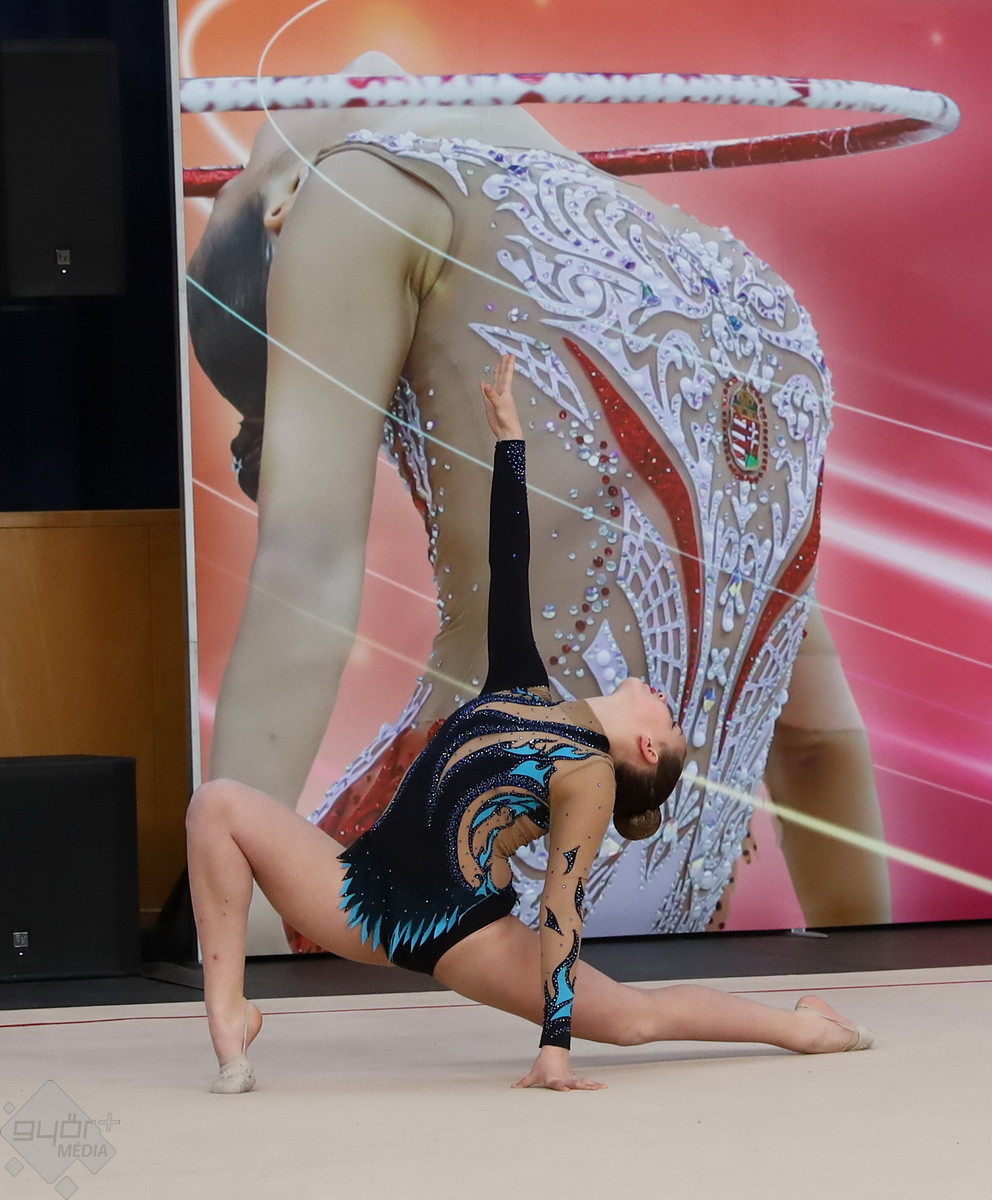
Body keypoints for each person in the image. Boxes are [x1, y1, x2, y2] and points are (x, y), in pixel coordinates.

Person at [186, 51, 891, 951]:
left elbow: (307, 568)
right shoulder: (742, 283)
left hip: (444, 903)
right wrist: (877, 969)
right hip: (642, 940)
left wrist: (229, 937)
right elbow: (816, 738)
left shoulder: (399, 196)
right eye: (232, 180)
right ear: (287, 204)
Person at [185, 356, 873, 1094]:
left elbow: (562, 905)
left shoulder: (589, 774)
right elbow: (508, 566)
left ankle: (798, 1025)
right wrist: (509, 443)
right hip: (359, 897)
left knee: (634, 1019)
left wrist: (556, 1047)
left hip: (464, 933)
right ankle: (230, 1018)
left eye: (668, 718)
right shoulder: (521, 688)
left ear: (646, 747)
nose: (657, 693)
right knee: (216, 806)